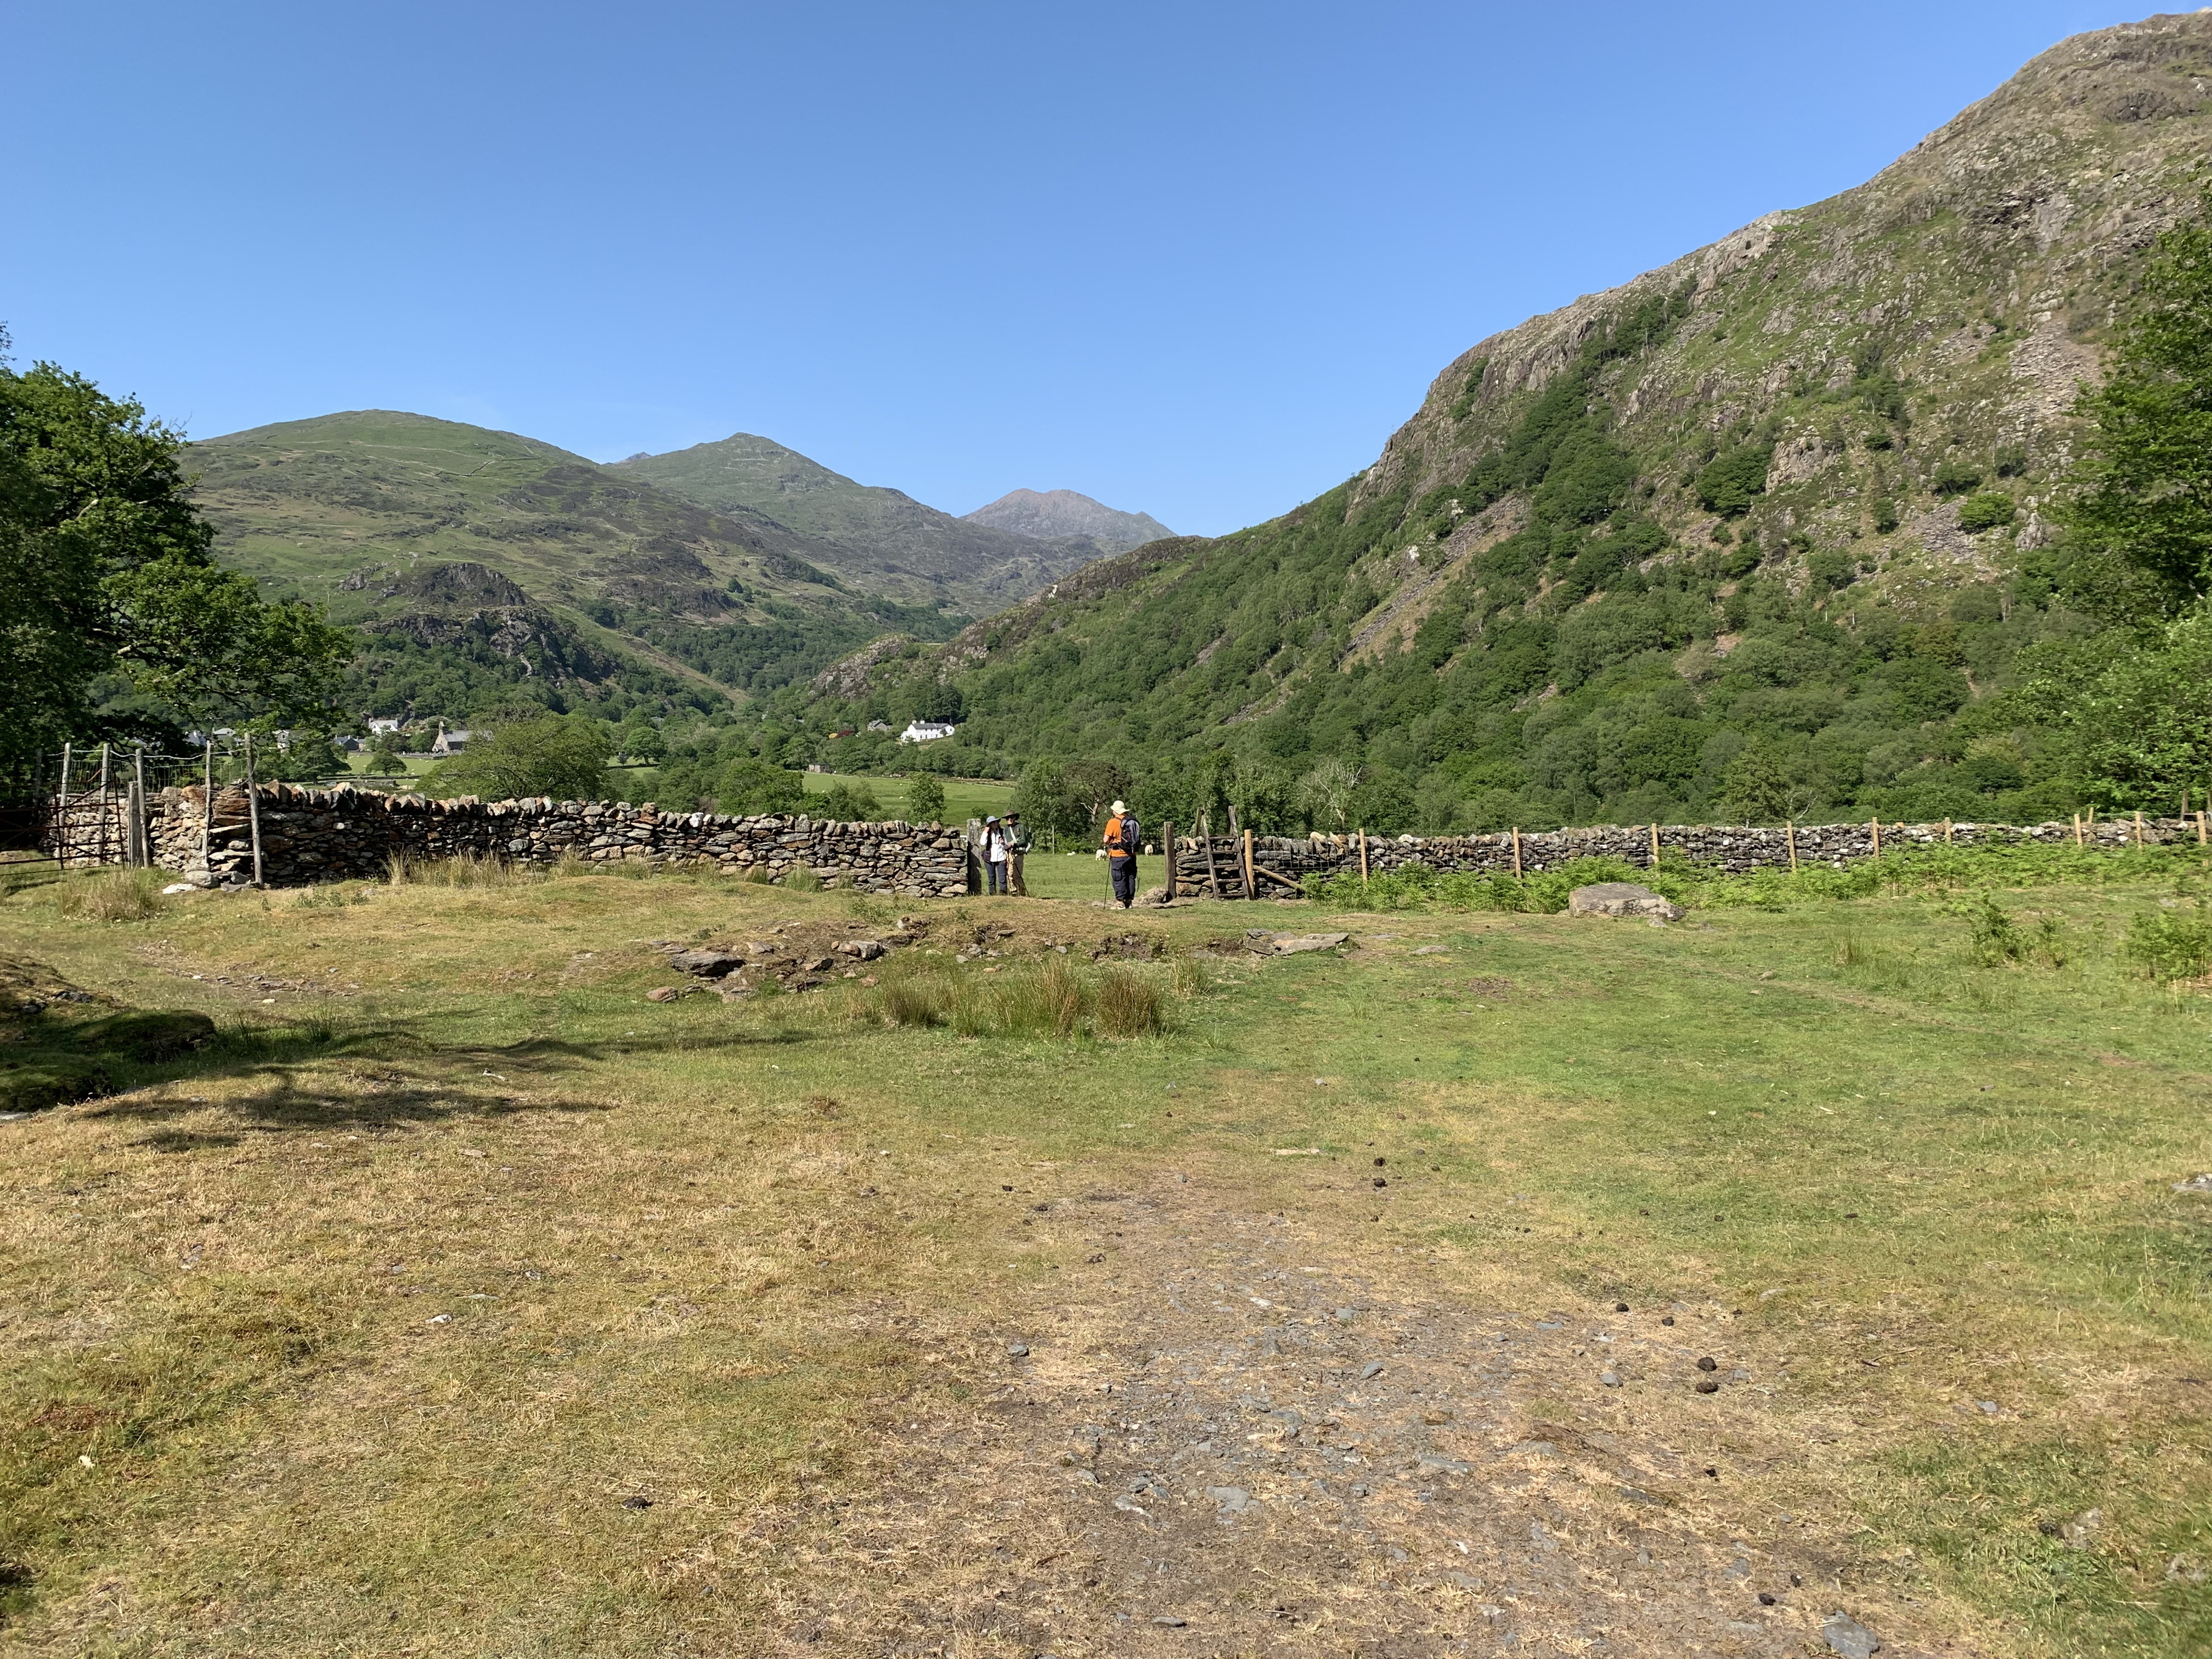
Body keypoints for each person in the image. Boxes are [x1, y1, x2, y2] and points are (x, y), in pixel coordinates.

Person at [1102, 798, 1139, 909]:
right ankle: (1129, 902)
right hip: (1131, 855)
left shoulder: (1113, 822)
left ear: (1115, 811)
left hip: (1118, 855)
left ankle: (1121, 902)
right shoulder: (1131, 821)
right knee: (1130, 877)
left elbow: (1106, 840)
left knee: (1119, 878)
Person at [1004, 810, 1032, 896]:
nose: (1010, 819)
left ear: (1015, 818)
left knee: (1018, 875)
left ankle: (1022, 892)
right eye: (1008, 818)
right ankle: (1014, 892)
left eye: (1011, 817)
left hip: (1018, 854)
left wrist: (1013, 844)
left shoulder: (1020, 827)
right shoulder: (1006, 829)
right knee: (1010, 874)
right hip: (1009, 853)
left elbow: (1023, 840)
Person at [982, 814, 1012, 895]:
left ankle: (1003, 894)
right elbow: (982, 842)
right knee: (991, 878)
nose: (995, 824)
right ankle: (992, 895)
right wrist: (986, 831)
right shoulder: (987, 834)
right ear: (990, 825)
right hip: (989, 858)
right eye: (993, 823)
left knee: (1002, 878)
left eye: (996, 822)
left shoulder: (1002, 832)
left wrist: (1004, 843)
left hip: (1001, 857)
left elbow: (1006, 845)